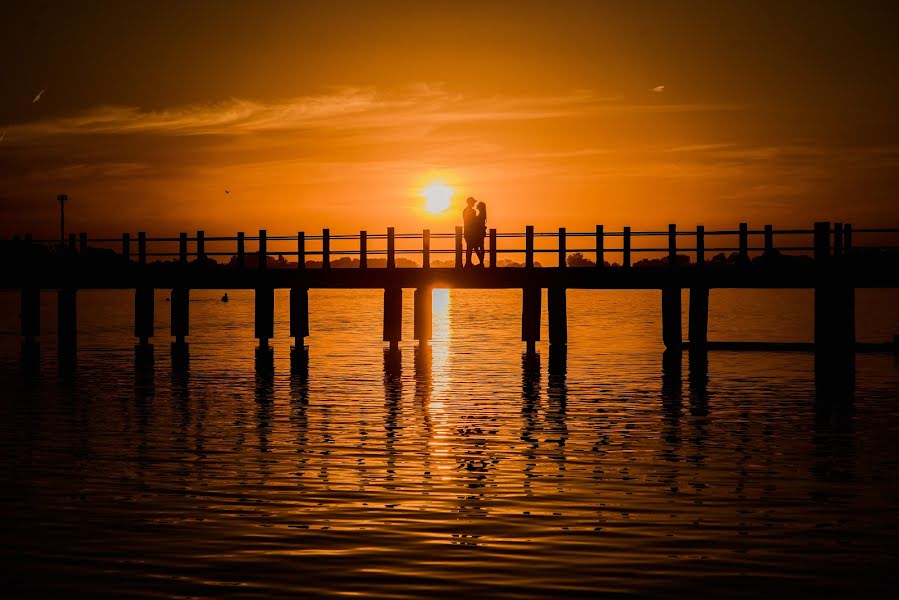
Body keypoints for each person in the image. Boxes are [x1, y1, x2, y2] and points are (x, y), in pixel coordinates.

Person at [462, 196, 480, 267]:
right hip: (471, 232)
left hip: (467, 232)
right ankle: (479, 262)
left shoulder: (465, 210)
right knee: (472, 247)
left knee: (470, 247)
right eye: (473, 202)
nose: (474, 204)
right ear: (470, 202)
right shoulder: (472, 211)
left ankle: (468, 263)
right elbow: (474, 222)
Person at [474, 201, 487, 267]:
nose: (477, 206)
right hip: (481, 232)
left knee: (477, 247)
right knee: (481, 247)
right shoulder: (482, 213)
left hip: (479, 233)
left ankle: (481, 262)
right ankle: (481, 262)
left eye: (478, 205)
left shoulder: (481, 214)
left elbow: (478, 222)